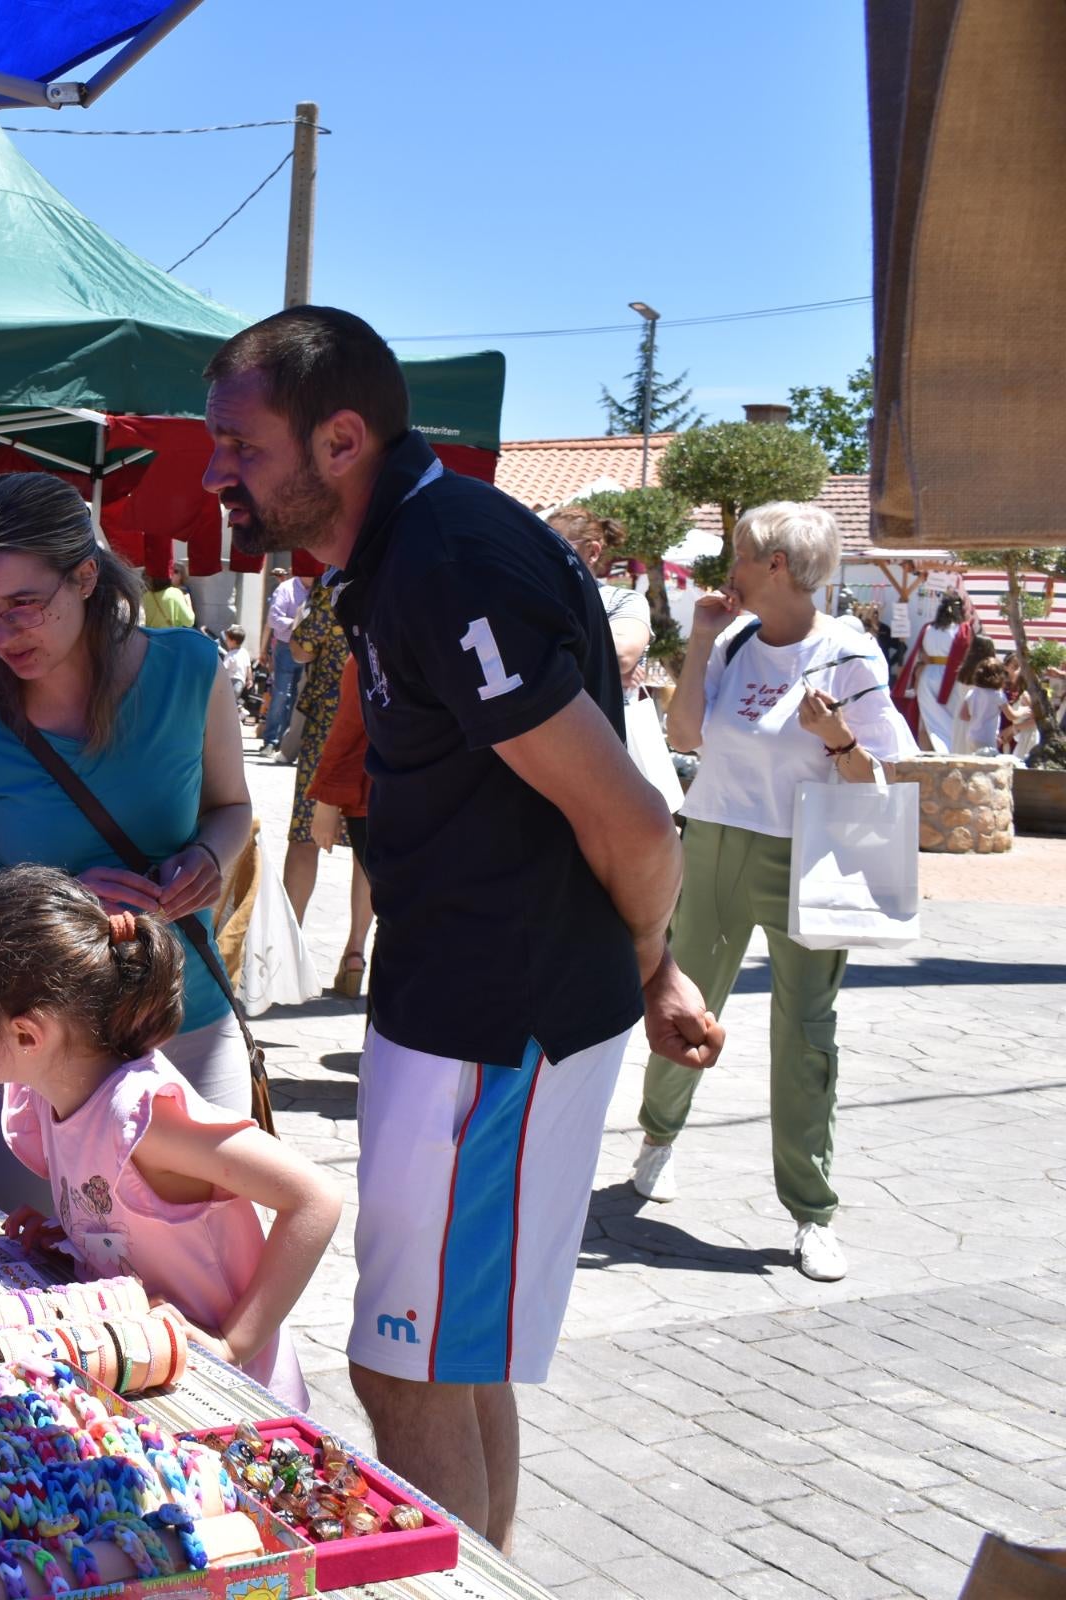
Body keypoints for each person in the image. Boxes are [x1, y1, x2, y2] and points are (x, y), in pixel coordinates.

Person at [201, 305, 718, 1550]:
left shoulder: (448, 559)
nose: (218, 469)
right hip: (471, 1013)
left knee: (412, 1367)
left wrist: (649, 963)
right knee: (446, 1356)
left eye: (242, 446)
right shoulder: (411, 547)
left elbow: (637, 823)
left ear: (340, 437)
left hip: (499, 1023)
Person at [0, 473, 254, 1217]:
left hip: (180, 1024)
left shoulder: (190, 668)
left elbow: (231, 808)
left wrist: (213, 857)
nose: (0, 635)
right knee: (43, 1285)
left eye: (24, 604)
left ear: (86, 575)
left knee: (204, 1282)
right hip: (29, 1047)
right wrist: (56, 903)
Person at [0, 866, 341, 1410]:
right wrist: (69, 1234)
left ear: (28, 1034)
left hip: (233, 1398)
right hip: (155, 1375)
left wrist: (234, 1344)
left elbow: (315, 1198)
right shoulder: (48, 1094)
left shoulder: (143, 1118)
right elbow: (135, 1222)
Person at [635, 502, 916, 1284]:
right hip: (717, 841)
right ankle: (657, 1139)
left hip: (808, 855)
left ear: (778, 567)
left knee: (807, 1035)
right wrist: (696, 640)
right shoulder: (729, 641)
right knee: (684, 1003)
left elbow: (876, 779)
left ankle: (811, 1213)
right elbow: (686, 736)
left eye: (741, 554)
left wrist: (840, 740)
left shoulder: (849, 652)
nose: (730, 566)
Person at [548, 505, 682, 815]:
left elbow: (622, 656)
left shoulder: (622, 600)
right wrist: (598, 665)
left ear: (592, 551)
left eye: (553, 544)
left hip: (609, 747)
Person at [278, 577, 351, 924]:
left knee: (305, 836)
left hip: (328, 722)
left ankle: (290, 943)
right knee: (371, 848)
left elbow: (301, 646)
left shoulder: (339, 586)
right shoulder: (400, 579)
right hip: (383, 725)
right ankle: (355, 955)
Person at [304, 656, 374, 997]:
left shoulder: (376, 634)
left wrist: (327, 797)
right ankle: (355, 951)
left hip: (376, 787)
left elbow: (350, 722)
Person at [897, 592, 969, 743]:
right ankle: (949, 748)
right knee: (951, 718)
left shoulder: (928, 628)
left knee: (928, 721)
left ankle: (929, 750)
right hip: (952, 677)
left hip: (928, 675)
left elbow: (921, 654)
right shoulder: (962, 630)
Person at [260, 565, 310, 754]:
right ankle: (271, 740)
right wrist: (298, 623)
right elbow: (273, 619)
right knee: (281, 694)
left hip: (308, 650)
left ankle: (287, 743)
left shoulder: (319, 589)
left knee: (298, 698)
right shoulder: (286, 589)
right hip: (287, 647)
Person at [139, 560, 196, 629]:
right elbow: (189, 621)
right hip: (171, 638)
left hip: (153, 638)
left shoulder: (145, 596)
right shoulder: (175, 593)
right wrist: (188, 601)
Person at [218, 623, 252, 697]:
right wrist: (250, 679)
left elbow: (223, 668)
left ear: (233, 641)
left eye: (227, 640)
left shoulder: (230, 654)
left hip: (231, 682)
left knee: (225, 701)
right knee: (233, 701)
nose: (226, 641)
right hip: (240, 684)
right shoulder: (244, 652)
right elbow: (248, 667)